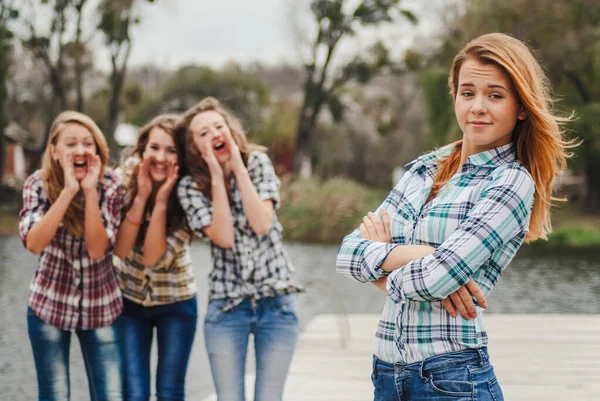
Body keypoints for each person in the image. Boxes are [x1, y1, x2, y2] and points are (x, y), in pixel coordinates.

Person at [336, 32, 575, 400]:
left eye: (495, 95)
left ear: (522, 106)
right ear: (456, 97)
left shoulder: (511, 182)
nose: (477, 106)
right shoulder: (423, 169)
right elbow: (347, 254)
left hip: (451, 378)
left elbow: (435, 279)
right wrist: (428, 257)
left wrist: (386, 261)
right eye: (467, 93)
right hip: (386, 373)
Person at [176, 97, 303, 401]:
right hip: (227, 308)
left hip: (277, 304)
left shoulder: (257, 163)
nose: (214, 135)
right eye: (203, 133)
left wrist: (237, 168)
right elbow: (224, 237)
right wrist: (218, 178)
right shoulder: (190, 187)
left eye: (218, 127)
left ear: (230, 130)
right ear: (192, 146)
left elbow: (261, 222)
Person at [19, 111, 124, 401]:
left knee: (111, 396)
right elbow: (34, 244)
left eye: (88, 143)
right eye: (71, 144)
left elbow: (96, 250)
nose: (81, 150)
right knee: (54, 395)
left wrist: (89, 191)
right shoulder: (37, 184)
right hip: (49, 305)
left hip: (101, 306)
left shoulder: (111, 184)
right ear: (54, 151)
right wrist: (67, 192)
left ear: (98, 150)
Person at [113, 114, 197, 401]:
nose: (161, 157)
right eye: (154, 148)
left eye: (171, 150)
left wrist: (161, 201)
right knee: (133, 394)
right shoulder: (123, 180)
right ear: (142, 150)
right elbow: (120, 251)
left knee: (169, 393)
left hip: (176, 302)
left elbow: (152, 258)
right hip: (129, 301)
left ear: (182, 156)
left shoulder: (189, 191)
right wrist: (141, 198)